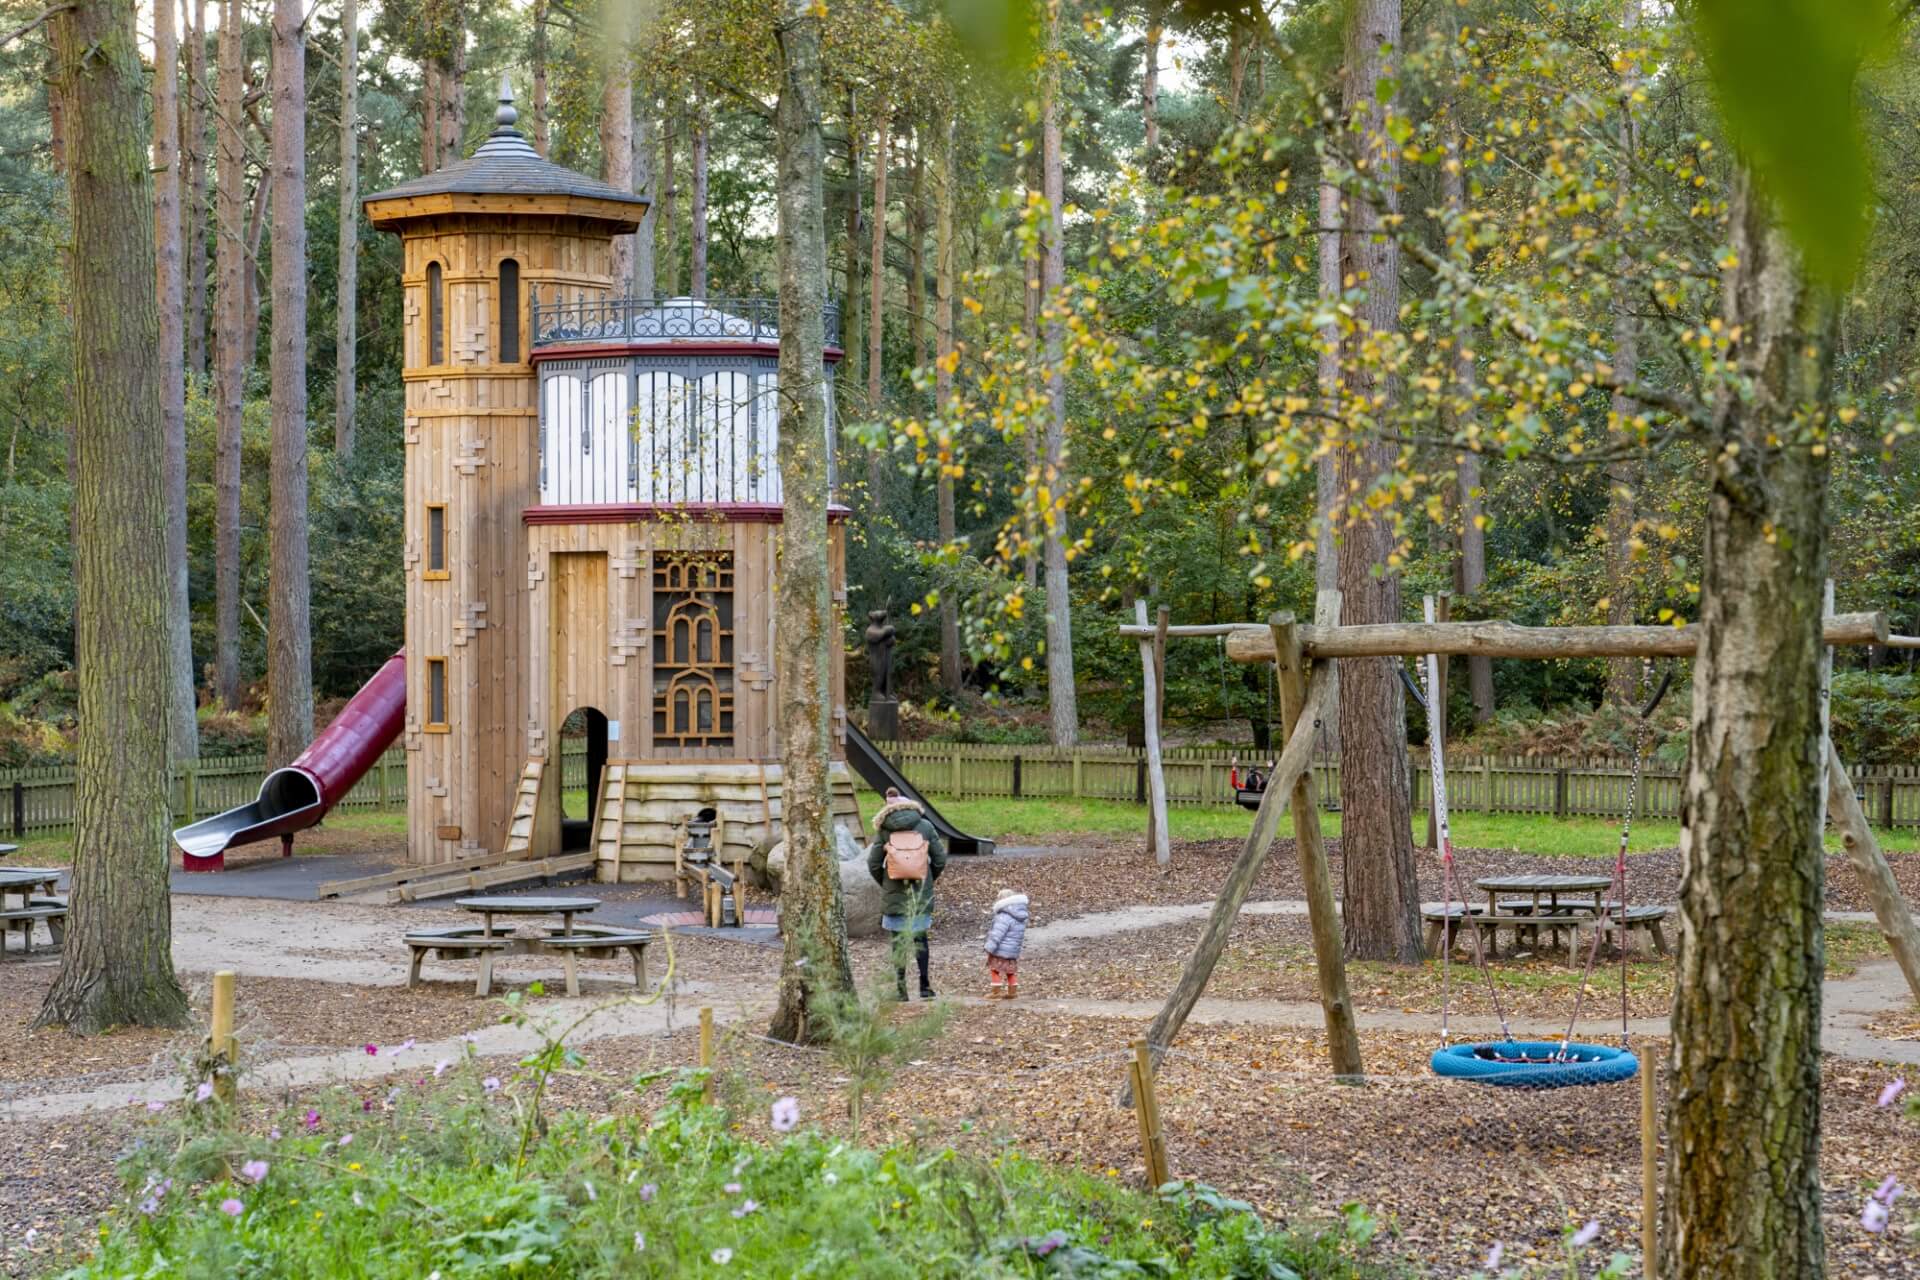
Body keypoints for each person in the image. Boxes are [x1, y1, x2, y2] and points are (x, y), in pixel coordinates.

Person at [867, 787, 946, 1000]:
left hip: (894, 891)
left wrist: (886, 881)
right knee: (920, 940)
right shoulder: (926, 826)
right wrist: (927, 880)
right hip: (919, 894)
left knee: (898, 942)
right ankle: (925, 987)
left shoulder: (884, 829)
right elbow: (940, 859)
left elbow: (873, 863)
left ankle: (901, 990)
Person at [984, 888, 1029, 999]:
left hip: (1000, 951)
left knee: (995, 970)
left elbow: (997, 935)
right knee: (1010, 972)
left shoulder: (1003, 916)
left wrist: (989, 947)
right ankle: (1012, 992)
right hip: (1013, 951)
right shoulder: (1020, 916)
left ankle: (995, 992)